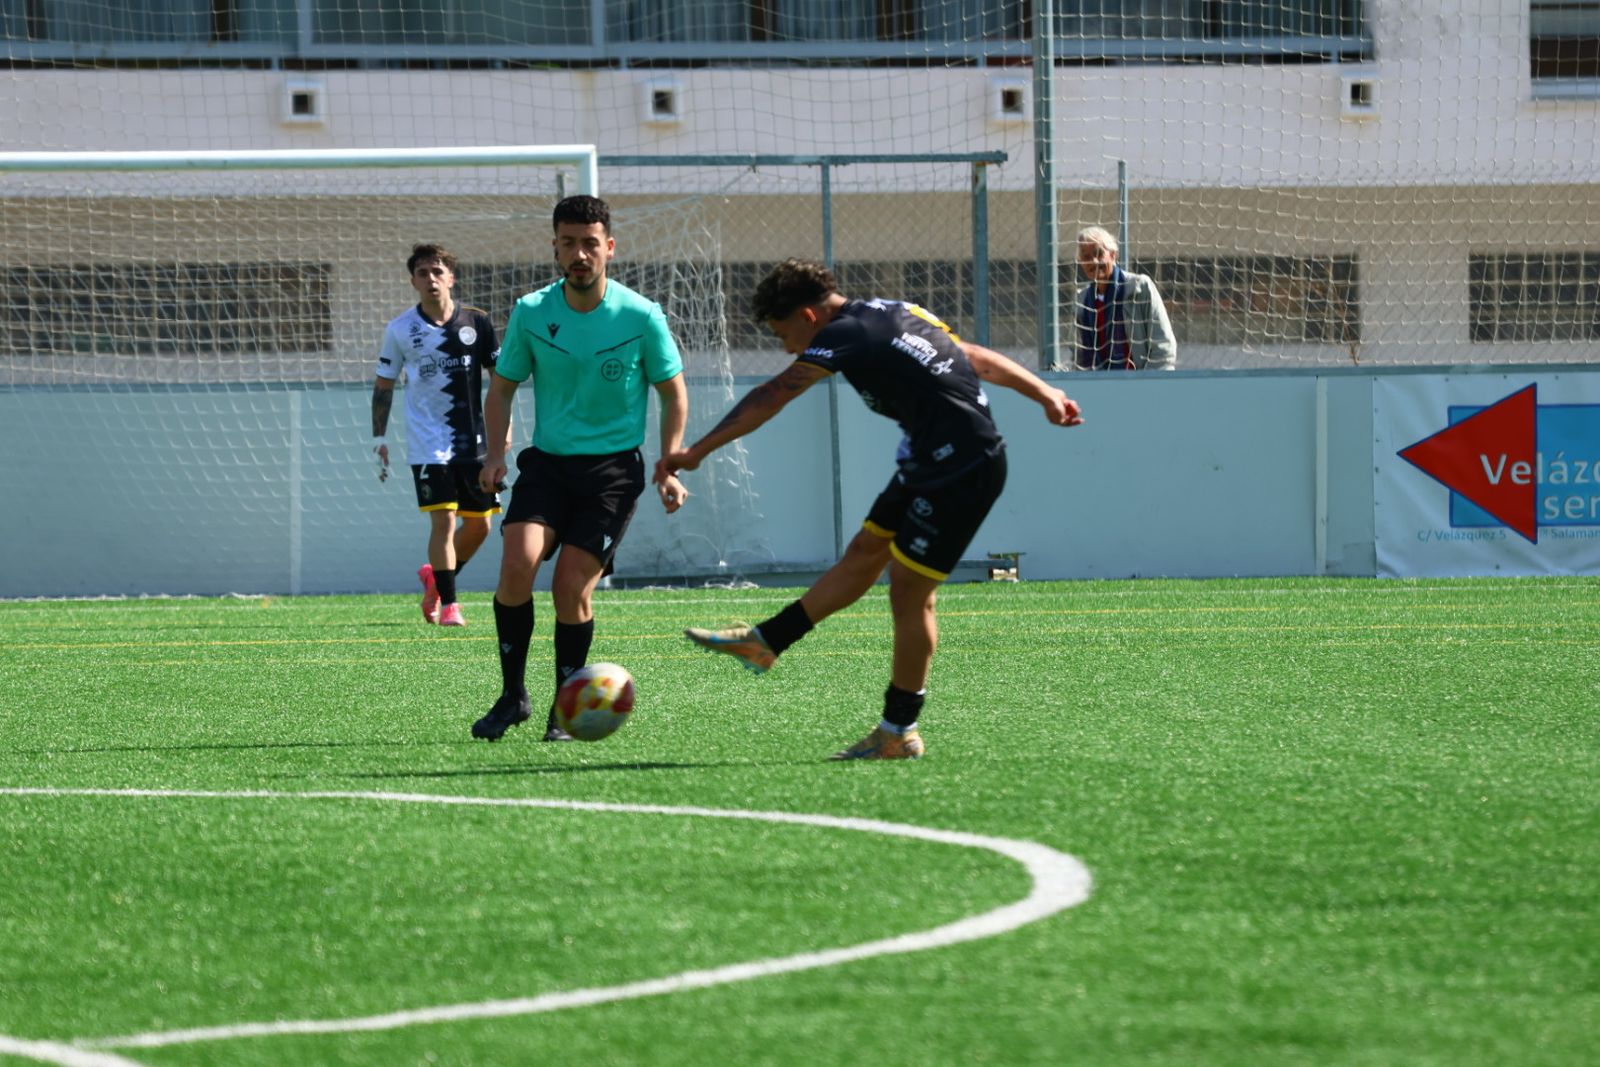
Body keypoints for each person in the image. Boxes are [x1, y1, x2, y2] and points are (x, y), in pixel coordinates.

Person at [656, 258, 1082, 761]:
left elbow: (774, 394)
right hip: (930, 460)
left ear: (809, 317)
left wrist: (696, 452)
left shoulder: (847, 333)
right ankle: (765, 642)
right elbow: (973, 358)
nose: (789, 348)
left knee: (910, 593)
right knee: (866, 550)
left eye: (784, 335)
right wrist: (1045, 393)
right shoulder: (894, 312)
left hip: (962, 467)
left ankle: (898, 730)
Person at [471, 195, 690, 743]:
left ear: (609, 248)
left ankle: (563, 709)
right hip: (547, 467)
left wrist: (669, 464)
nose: (580, 254)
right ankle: (513, 696)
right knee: (516, 568)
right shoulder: (531, 311)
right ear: (555, 248)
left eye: (590, 243)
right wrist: (495, 454)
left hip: (612, 475)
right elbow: (501, 389)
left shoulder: (641, 315)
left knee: (570, 587)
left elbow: (673, 393)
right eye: (569, 243)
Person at [372, 243, 506, 628]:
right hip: (428, 444)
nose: (431, 279)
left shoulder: (477, 323)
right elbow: (383, 386)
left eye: (437, 271)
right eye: (422, 273)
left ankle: (435, 578)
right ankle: (450, 605)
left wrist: (503, 435)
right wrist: (378, 440)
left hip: (475, 442)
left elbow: (500, 383)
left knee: (480, 526)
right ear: (413, 281)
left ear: (451, 278)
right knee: (443, 521)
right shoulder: (400, 329)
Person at [1071, 225, 1177, 371]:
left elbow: (1163, 346)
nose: (1094, 261)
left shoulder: (1139, 288)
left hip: (1141, 379)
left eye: (1099, 253)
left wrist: (1149, 381)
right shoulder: (1082, 301)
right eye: (1086, 257)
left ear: (1113, 255)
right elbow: (1079, 356)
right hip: (1099, 382)